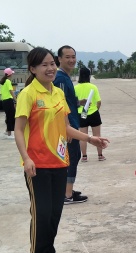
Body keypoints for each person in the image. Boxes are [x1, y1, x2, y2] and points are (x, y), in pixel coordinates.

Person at [13, 47, 109, 253]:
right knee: (41, 213)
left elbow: (65, 127)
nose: (50, 68)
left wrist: (89, 138)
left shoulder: (58, 93)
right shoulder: (28, 94)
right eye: (44, 65)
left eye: (51, 64)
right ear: (33, 69)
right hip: (37, 164)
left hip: (59, 161)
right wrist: (26, 158)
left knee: (55, 212)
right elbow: (18, 129)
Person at [54, 45, 87, 205]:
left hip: (72, 124)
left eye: (73, 56)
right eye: (67, 57)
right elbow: (58, 103)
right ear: (59, 59)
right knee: (72, 157)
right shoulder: (60, 78)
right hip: (68, 127)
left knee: (71, 157)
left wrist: (77, 102)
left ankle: (66, 190)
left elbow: (66, 100)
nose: (71, 60)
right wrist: (64, 128)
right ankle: (67, 194)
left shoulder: (65, 77)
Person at [75, 67, 104, 162]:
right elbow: (99, 102)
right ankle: (100, 155)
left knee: (83, 136)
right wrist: (96, 110)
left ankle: (84, 156)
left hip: (82, 113)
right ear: (89, 76)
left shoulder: (75, 88)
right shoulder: (93, 87)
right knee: (97, 135)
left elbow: (73, 103)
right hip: (93, 113)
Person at [0, 68, 16, 138]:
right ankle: (9, 134)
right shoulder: (8, 81)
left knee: (8, 116)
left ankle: (7, 131)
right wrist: (15, 99)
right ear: (10, 74)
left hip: (4, 100)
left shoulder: (2, 82)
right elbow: (11, 91)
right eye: (12, 73)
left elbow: (1, 93)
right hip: (9, 100)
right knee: (11, 116)